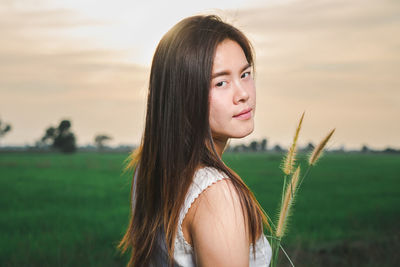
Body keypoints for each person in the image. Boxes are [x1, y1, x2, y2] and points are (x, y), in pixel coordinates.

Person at [119, 15, 272, 267]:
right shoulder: (216, 194)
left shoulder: (149, 170)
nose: (243, 94)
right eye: (221, 82)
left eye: (245, 74)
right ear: (184, 94)